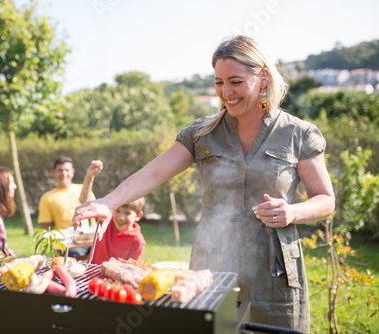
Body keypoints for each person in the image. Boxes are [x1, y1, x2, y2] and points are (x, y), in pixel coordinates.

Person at [72, 35, 335, 333]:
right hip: (212, 265)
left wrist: (293, 212)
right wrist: (109, 201)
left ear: (263, 79)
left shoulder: (297, 133)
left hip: (274, 273)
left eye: (235, 81)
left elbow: (325, 199)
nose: (226, 92)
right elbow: (154, 173)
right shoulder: (202, 133)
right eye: (219, 82)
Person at [38, 157, 103, 257]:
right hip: (70, 243)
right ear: (53, 172)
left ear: (72, 172)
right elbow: (46, 228)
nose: (64, 173)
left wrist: (90, 176)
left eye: (67, 170)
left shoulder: (83, 188)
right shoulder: (47, 197)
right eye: (60, 170)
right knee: (75, 256)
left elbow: (92, 208)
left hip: (91, 239)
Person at [89, 197, 146, 265]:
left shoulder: (137, 241)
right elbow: (87, 203)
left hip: (112, 275)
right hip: (90, 272)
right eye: (117, 211)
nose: (120, 217)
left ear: (138, 216)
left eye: (127, 213)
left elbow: (130, 267)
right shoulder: (106, 222)